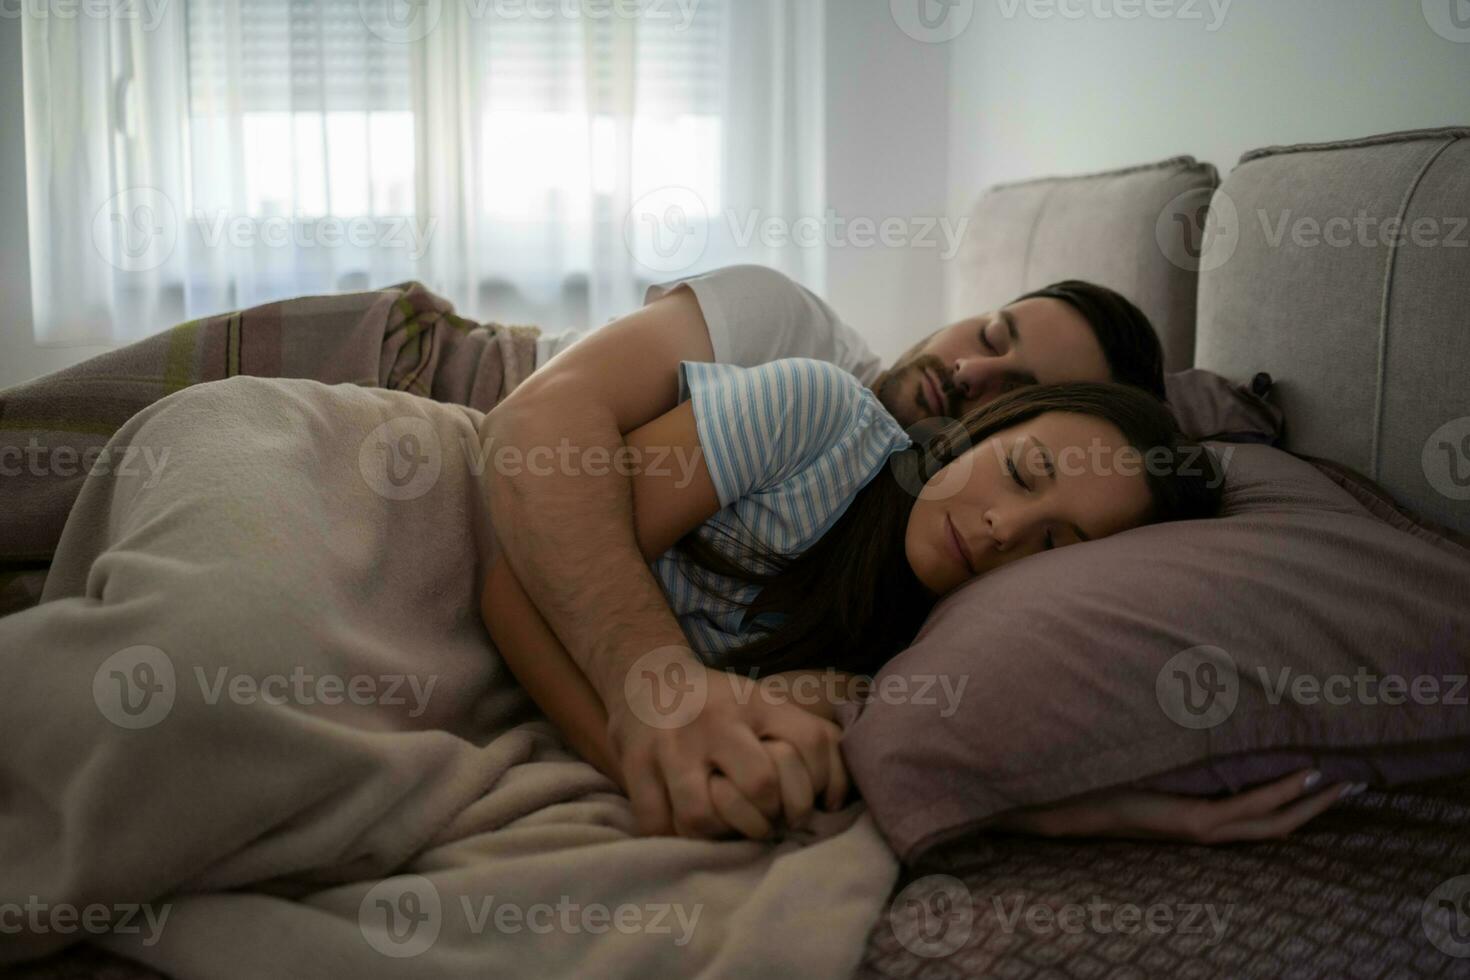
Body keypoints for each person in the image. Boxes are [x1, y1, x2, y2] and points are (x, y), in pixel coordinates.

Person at [481, 265, 1180, 838]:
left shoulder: (916, 634)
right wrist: (658, 708)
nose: (971, 371)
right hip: (475, 400)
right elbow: (539, 430)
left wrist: (1101, 809)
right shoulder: (809, 378)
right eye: (995, 334)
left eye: (1054, 542)